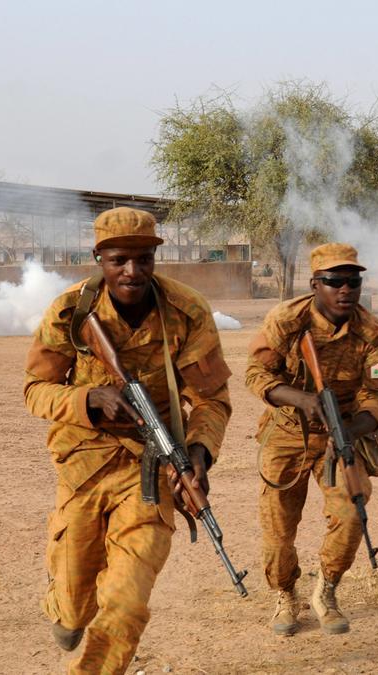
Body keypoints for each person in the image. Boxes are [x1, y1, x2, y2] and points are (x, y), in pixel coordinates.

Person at [23, 207, 233, 673]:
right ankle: (68, 608)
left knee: (126, 600)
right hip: (83, 469)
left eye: (143, 259)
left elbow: (212, 399)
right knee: (75, 605)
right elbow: (35, 390)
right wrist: (89, 400)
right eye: (119, 260)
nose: (132, 272)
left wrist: (199, 451)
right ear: (99, 257)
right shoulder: (69, 312)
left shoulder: (186, 311)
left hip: (153, 472)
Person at [246, 243, 378, 636]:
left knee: (351, 514)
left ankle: (326, 590)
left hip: (341, 435)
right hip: (286, 435)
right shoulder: (286, 320)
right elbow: (256, 375)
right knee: (278, 531)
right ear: (315, 284)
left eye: (353, 281)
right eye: (334, 281)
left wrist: (352, 429)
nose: (346, 289)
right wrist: (300, 399)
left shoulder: (373, 334)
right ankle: (285, 594)